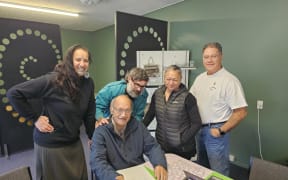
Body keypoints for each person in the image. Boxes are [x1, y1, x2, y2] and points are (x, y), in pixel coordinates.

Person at [6, 44, 96, 180]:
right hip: (51, 145)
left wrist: (91, 136)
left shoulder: (88, 83)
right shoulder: (54, 80)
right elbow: (14, 94)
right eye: (78, 60)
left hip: (74, 142)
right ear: (69, 61)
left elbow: (89, 112)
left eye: (86, 60)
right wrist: (35, 119)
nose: (82, 64)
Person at [189, 42, 248, 176]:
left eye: (213, 56)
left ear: (221, 56)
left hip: (216, 132)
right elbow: (190, 101)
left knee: (218, 171)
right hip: (199, 130)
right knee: (202, 168)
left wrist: (221, 130)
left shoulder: (229, 80)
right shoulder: (200, 79)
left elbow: (241, 112)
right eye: (206, 57)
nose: (209, 60)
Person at [90, 94, 167, 180]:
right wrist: (113, 177)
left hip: (138, 173)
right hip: (114, 175)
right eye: (120, 110)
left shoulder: (138, 126)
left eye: (127, 110)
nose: (123, 115)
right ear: (112, 110)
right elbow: (97, 161)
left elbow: (152, 147)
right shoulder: (101, 131)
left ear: (131, 112)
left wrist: (159, 163)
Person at [143, 65, 202, 160]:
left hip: (182, 148)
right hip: (162, 144)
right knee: (164, 171)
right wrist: (138, 130)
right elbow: (150, 115)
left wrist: (182, 140)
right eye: (168, 79)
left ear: (180, 79)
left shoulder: (187, 97)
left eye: (174, 80)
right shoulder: (157, 94)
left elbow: (197, 123)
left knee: (181, 174)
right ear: (164, 78)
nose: (171, 83)